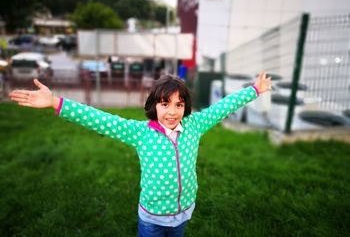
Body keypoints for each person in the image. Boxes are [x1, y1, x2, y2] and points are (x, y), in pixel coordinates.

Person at [9, 72, 272, 237]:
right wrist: (56, 102)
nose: (172, 111)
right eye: (165, 104)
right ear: (153, 106)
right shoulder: (140, 133)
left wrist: (255, 90)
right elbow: (98, 119)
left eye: (179, 105)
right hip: (152, 218)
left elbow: (223, 107)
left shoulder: (195, 125)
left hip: (183, 210)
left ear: (186, 107)